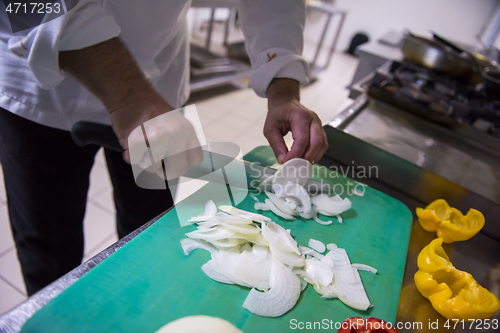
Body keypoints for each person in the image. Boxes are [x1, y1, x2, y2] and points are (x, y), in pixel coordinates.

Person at [0, 0, 329, 295]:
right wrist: (130, 97)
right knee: (49, 249)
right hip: (39, 91)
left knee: (151, 228)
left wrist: (284, 88)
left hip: (160, 82)